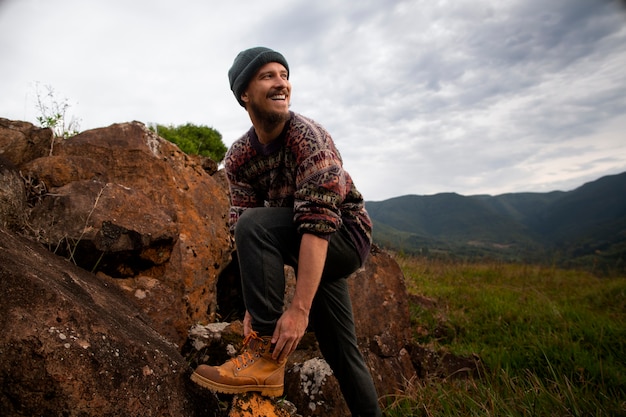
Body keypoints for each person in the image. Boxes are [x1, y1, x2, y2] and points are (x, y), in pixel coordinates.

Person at [191, 47, 382, 417]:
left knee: (257, 224)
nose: (281, 83)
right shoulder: (239, 157)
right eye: (268, 76)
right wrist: (253, 306)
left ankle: (263, 359)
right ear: (244, 94)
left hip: (343, 237)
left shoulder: (309, 138)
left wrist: (298, 309)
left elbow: (315, 224)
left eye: (284, 74)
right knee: (341, 351)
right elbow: (243, 232)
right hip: (299, 237)